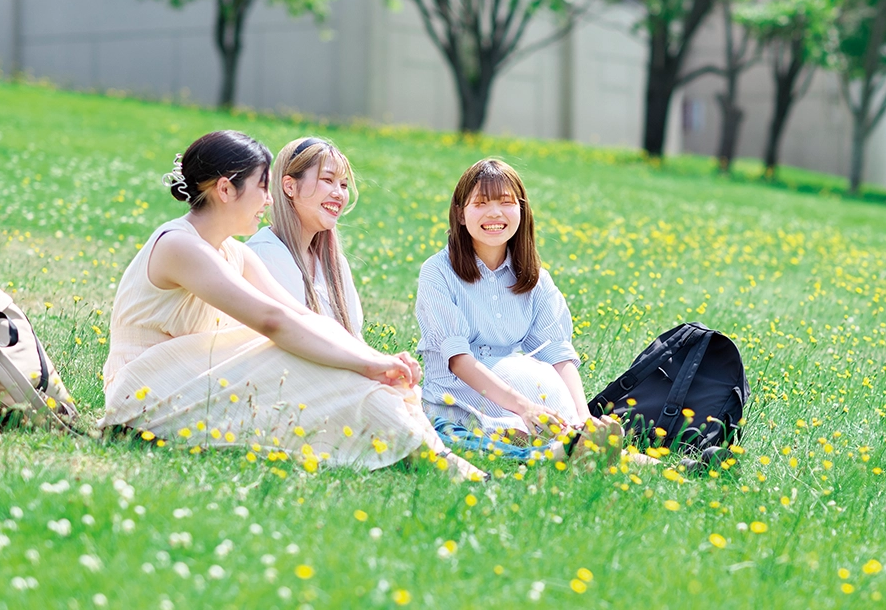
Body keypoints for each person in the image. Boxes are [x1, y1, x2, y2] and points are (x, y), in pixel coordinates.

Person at [99, 130, 483, 480]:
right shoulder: (178, 245)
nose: (269, 200)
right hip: (144, 392)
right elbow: (273, 321)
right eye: (261, 187)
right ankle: (430, 457)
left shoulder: (235, 254)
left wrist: (376, 360)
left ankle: (428, 452)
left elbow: (303, 317)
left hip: (192, 377)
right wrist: (365, 364)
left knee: (329, 364)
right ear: (225, 189)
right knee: (287, 356)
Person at [415, 158, 614, 444]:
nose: (494, 213)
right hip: (460, 399)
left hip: (524, 402)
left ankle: (584, 440)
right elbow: (458, 360)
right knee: (528, 435)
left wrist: (584, 418)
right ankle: (573, 445)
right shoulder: (438, 272)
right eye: (481, 203)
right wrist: (525, 408)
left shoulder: (536, 278)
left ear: (521, 209)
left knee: (570, 433)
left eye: (506, 202)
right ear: (460, 214)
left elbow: (557, 353)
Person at [246, 137, 362, 337]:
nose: (339, 194)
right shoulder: (265, 254)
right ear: (289, 186)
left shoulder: (335, 265)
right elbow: (297, 337)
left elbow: (355, 337)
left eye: (343, 185)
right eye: (327, 180)